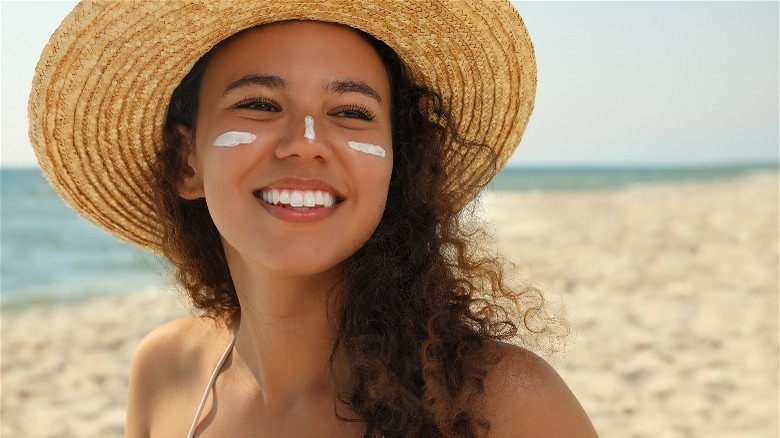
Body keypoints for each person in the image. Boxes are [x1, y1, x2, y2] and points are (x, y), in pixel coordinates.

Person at [29, 2, 598, 437]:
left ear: (398, 168)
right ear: (187, 162)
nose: (306, 145)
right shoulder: (163, 371)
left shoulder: (502, 403)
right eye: (259, 104)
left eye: (351, 113)